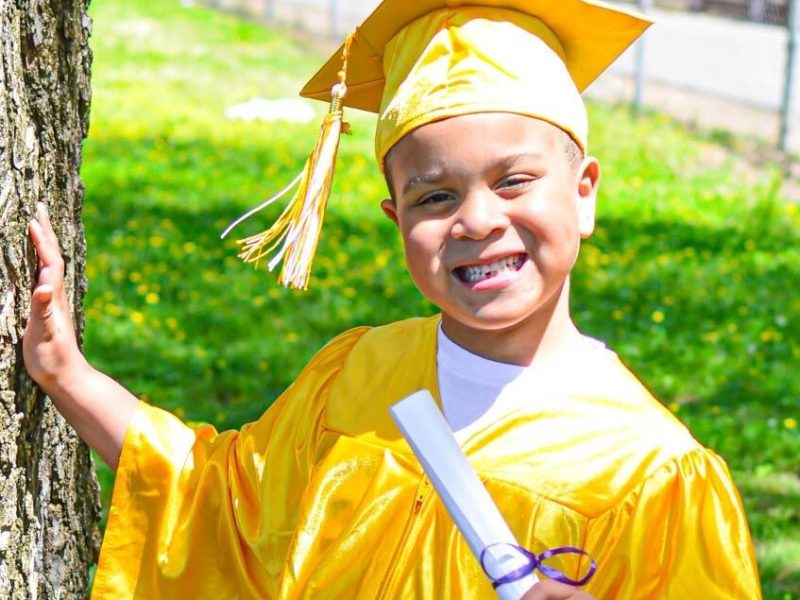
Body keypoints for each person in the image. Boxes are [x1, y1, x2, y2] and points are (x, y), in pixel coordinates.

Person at [23, 0, 762, 598]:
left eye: (513, 181)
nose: (476, 220)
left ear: (585, 192)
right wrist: (65, 373)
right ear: (395, 219)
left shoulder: (652, 475)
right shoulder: (353, 377)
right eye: (435, 195)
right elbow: (215, 504)